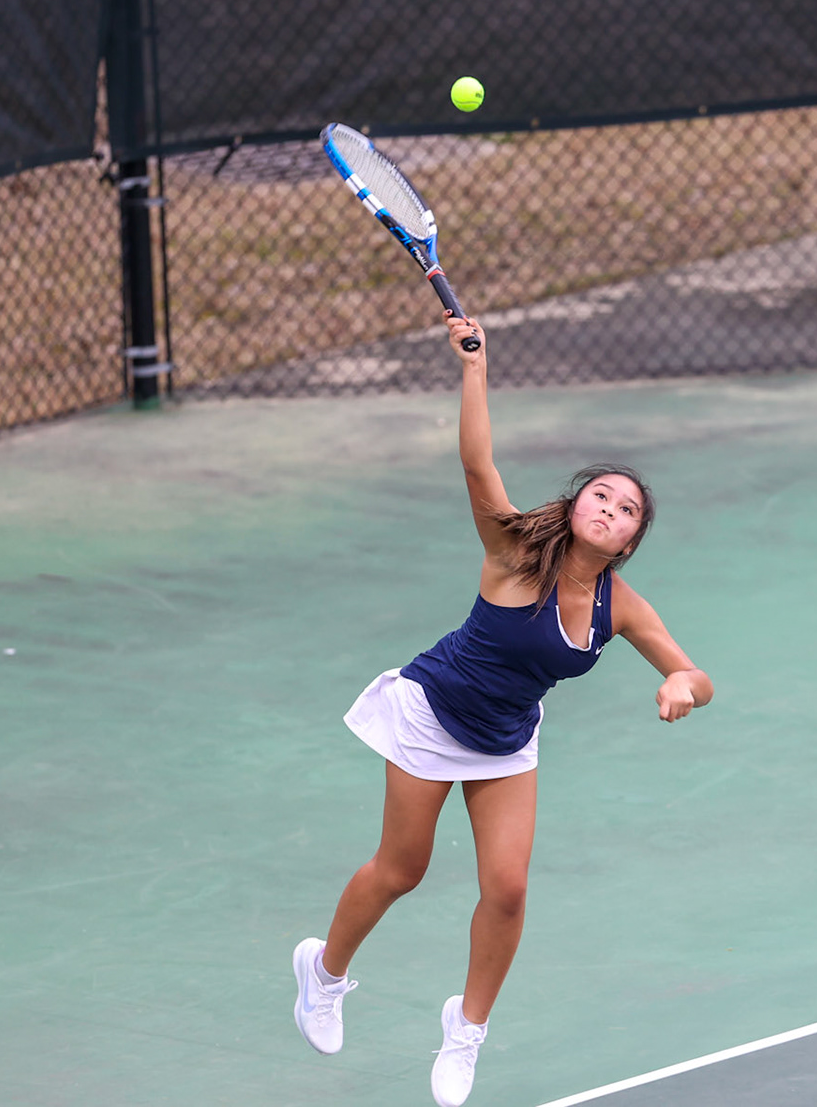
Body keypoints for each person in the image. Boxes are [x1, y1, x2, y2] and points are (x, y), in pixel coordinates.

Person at [292, 314, 713, 1107]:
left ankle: (466, 1030)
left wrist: (680, 686)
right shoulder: (515, 551)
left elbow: (694, 672)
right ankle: (323, 973)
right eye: (600, 495)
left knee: (509, 890)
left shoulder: (619, 607)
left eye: (626, 510)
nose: (610, 509)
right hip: (432, 713)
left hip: (507, 741)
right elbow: (477, 464)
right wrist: (474, 368)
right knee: (402, 870)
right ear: (576, 504)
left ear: (629, 542)